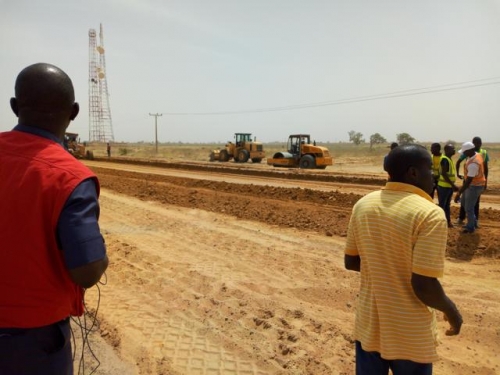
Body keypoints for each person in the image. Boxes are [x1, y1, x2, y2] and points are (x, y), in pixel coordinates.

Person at [0, 63, 108, 374]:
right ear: (73, 112)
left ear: (14, 107)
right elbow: (87, 271)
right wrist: (102, 259)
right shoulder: (70, 177)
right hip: (31, 344)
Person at [345, 144, 462, 375]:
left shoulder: (363, 205)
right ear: (413, 173)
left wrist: (384, 270)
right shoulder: (429, 214)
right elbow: (424, 285)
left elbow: (351, 261)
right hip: (410, 334)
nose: (434, 176)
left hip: (369, 326)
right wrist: (452, 312)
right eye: (430, 169)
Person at [454, 141, 486, 234]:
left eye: (464, 152)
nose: (463, 153)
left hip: (474, 186)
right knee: (464, 203)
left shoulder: (473, 164)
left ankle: (470, 227)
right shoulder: (476, 155)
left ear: (470, 151)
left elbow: (468, 181)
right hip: (474, 185)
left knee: (469, 207)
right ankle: (473, 222)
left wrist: (459, 193)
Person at [437, 144, 459, 227]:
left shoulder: (448, 159)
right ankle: (440, 223)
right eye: (452, 148)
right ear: (446, 150)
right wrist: (453, 185)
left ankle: (448, 222)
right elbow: (444, 174)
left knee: (446, 205)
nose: (454, 150)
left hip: (448, 187)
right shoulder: (445, 159)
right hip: (444, 186)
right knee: (442, 206)